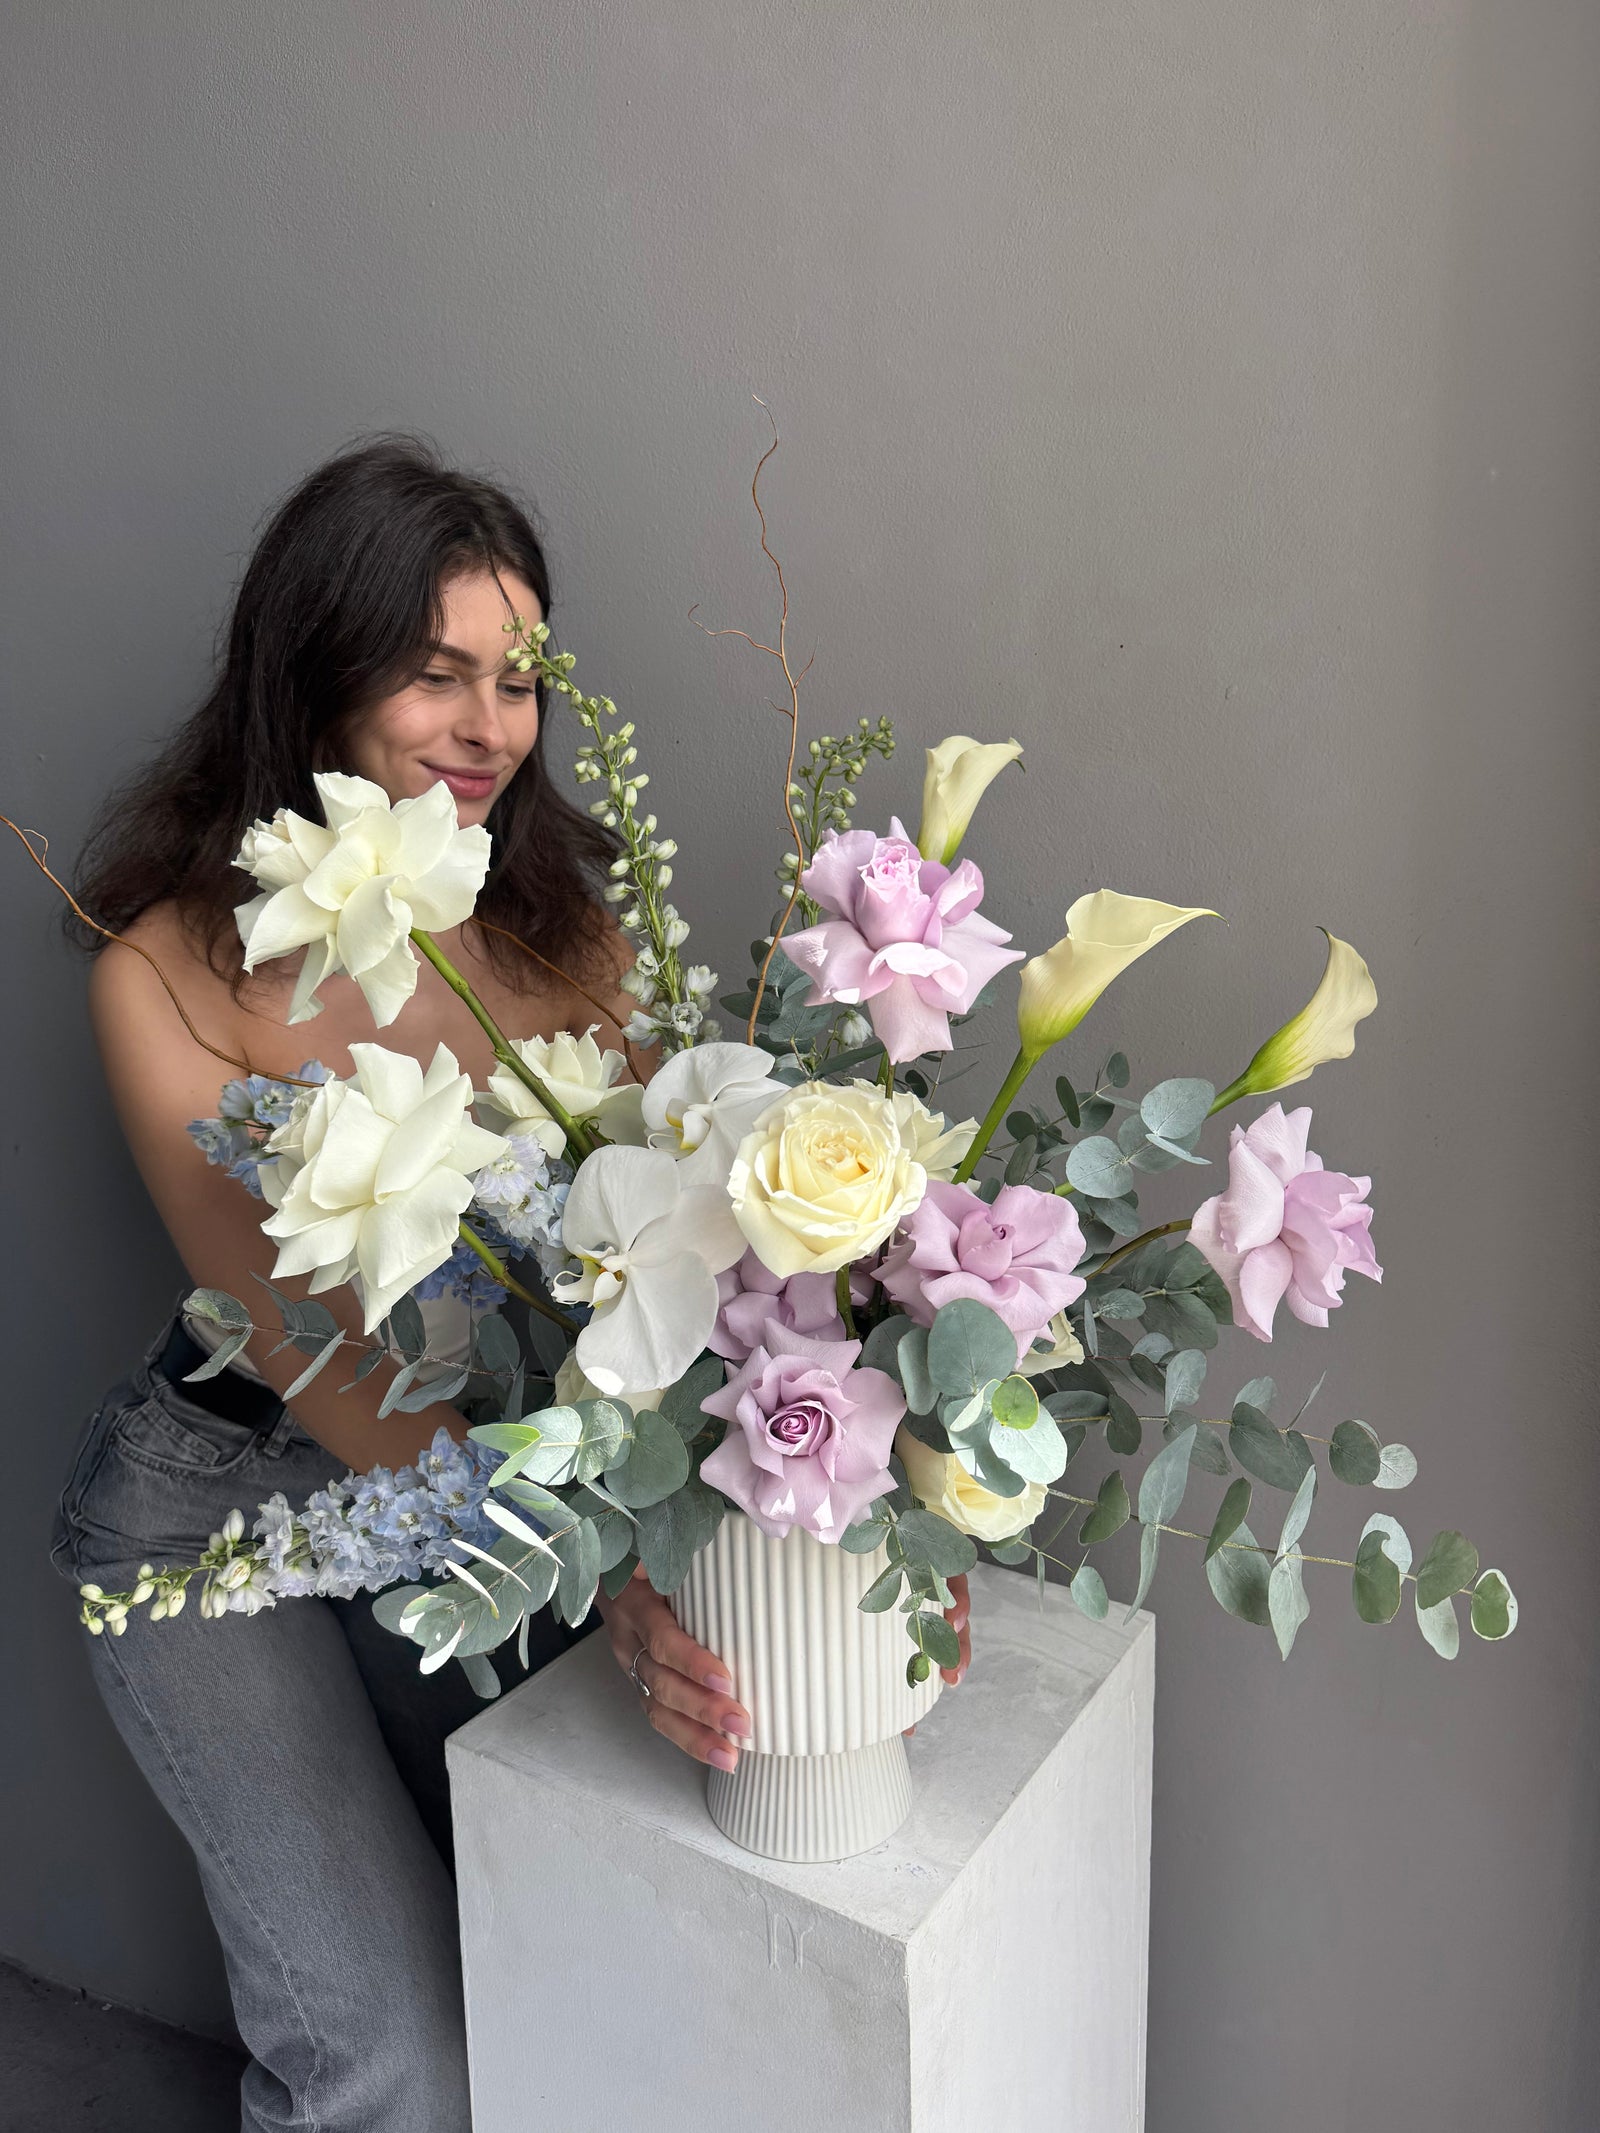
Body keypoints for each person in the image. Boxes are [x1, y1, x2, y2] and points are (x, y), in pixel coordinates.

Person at [48, 436, 971, 2132]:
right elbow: (305, 1350)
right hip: (220, 1505)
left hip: (483, 1473)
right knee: (393, 2057)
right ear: (319, 671)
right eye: (437, 674)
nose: (490, 726)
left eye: (522, 679)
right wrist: (589, 1587)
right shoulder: (162, 970)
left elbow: (692, 1276)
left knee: (571, 1931)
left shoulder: (570, 931)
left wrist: (859, 1564)